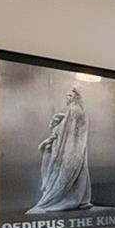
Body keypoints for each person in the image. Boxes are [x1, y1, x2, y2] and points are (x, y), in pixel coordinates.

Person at [27, 86, 92, 214]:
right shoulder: (74, 111)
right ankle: (82, 200)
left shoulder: (74, 110)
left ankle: (73, 200)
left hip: (72, 148)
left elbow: (70, 132)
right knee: (78, 172)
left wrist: (63, 148)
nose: (67, 98)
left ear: (76, 98)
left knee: (70, 172)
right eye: (67, 95)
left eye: (70, 96)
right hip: (74, 148)